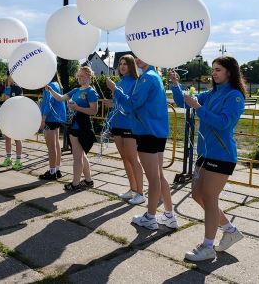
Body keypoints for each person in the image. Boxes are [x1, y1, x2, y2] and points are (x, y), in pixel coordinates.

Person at [169, 56, 246, 261]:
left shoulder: (235, 96)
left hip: (222, 155)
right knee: (197, 195)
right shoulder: (211, 93)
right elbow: (182, 102)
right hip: (205, 153)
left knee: (210, 198)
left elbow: (223, 123)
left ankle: (207, 246)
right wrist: (176, 84)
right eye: (212, 69)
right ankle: (230, 230)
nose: (214, 73)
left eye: (218, 69)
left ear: (230, 71)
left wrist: (199, 108)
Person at [106, 58, 177, 231]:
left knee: (153, 179)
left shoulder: (146, 78)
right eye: (136, 56)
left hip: (148, 132)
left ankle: (150, 217)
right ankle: (169, 215)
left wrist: (115, 90)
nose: (137, 59)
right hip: (156, 131)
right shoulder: (154, 76)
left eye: (141, 56)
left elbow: (131, 104)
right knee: (159, 176)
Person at [102, 55, 145, 205]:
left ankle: (141, 193)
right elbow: (119, 103)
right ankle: (132, 189)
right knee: (125, 158)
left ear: (132, 66)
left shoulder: (136, 83)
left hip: (130, 125)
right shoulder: (119, 82)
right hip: (117, 124)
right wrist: (111, 103)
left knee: (133, 159)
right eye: (120, 64)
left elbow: (130, 104)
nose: (122, 66)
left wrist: (114, 90)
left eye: (125, 64)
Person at [47, 66, 98, 191]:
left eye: (82, 76)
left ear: (89, 77)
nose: (79, 78)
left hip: (82, 127)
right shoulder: (76, 90)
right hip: (73, 126)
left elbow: (94, 111)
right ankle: (88, 180)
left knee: (77, 157)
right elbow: (60, 98)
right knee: (82, 156)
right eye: (78, 76)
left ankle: (75, 184)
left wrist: (77, 108)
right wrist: (50, 90)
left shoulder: (91, 92)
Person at [39, 73, 67, 180]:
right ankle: (57, 169)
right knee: (56, 145)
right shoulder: (56, 84)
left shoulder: (50, 85)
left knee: (51, 146)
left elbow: (48, 103)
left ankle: (52, 172)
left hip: (51, 118)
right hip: (57, 118)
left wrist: (43, 118)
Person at [0, 72, 24, 170]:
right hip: (6, 116)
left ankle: (18, 161)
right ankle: (8, 158)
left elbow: (9, 100)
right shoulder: (3, 87)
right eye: (9, 75)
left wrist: (8, 88)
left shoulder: (18, 88)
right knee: (7, 138)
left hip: (16, 117)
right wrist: (6, 90)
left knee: (17, 138)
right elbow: (1, 99)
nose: (10, 77)